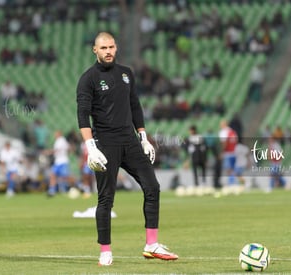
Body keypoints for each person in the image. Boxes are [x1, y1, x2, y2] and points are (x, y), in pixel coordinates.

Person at [76, 32, 178, 266]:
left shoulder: (126, 73)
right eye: (103, 48)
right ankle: (105, 251)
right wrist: (90, 147)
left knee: (152, 186)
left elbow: (135, 106)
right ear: (95, 50)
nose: (108, 51)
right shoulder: (88, 79)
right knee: (106, 199)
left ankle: (151, 244)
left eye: (111, 46)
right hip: (105, 144)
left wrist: (143, 137)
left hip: (130, 141)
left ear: (116, 47)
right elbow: (82, 114)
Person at [46, 130, 70, 196]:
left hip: (62, 161)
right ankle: (52, 190)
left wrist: (48, 152)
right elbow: (68, 149)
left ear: (59, 134)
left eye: (56, 134)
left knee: (64, 176)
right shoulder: (61, 140)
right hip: (58, 161)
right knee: (53, 175)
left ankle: (76, 186)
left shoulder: (61, 140)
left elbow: (56, 150)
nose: (54, 135)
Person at [184, 125, 207, 190]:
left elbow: (204, 148)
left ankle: (203, 183)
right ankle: (196, 184)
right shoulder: (189, 138)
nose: (190, 132)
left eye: (190, 130)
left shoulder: (200, 137)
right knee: (195, 171)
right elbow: (187, 149)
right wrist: (187, 160)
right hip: (194, 158)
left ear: (193, 130)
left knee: (202, 170)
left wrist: (205, 158)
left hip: (200, 157)